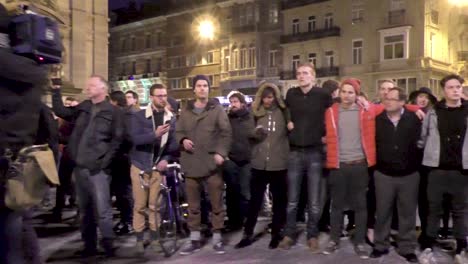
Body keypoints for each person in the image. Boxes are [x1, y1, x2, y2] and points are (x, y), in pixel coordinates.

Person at [51, 75, 124, 258]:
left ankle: (108, 245)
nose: (87, 87)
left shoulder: (113, 112)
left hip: (98, 170)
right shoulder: (84, 107)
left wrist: (104, 162)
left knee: (103, 210)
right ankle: (89, 246)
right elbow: (61, 111)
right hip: (80, 167)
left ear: (103, 89)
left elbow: (118, 140)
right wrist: (55, 90)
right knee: (85, 210)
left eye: (92, 85)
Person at [0, 3, 51, 262]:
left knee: (9, 241)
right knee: (20, 227)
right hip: (20, 163)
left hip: (3, 163)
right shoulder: (33, 69)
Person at [279, 63, 332, 252]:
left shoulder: (322, 95)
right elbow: (282, 110)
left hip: (315, 152)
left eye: (306, 73)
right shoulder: (291, 94)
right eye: (299, 73)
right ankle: (289, 234)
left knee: (315, 200)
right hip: (294, 152)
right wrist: (288, 122)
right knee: (292, 199)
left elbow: (334, 114)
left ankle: (312, 235)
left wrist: (327, 135)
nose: (302, 76)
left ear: (313, 77)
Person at [176, 75, 232, 255]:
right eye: (199, 86)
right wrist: (183, 140)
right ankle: (194, 238)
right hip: (191, 163)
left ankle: (217, 238)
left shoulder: (217, 110)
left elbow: (226, 133)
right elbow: (178, 131)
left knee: (216, 203)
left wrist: (221, 153)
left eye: (205, 86)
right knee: (193, 205)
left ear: (209, 89)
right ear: (194, 89)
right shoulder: (186, 111)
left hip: (211, 164)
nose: (202, 89)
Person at [321, 78, 375, 259]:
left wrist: (417, 110)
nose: (346, 95)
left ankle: (359, 242)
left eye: (350, 92)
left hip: (359, 165)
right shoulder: (330, 112)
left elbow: (391, 107)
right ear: (339, 93)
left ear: (357, 94)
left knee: (360, 206)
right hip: (338, 165)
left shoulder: (365, 111)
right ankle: (334, 239)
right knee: (336, 206)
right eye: (344, 91)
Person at [419, 74, 468, 263]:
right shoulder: (434, 112)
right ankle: (428, 246)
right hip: (436, 170)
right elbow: (422, 138)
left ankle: (461, 248)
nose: (455, 90)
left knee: (460, 211)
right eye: (451, 87)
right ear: (443, 91)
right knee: (434, 210)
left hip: (461, 170)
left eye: (458, 87)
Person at [370, 87, 422, 263]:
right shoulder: (377, 120)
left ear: (401, 102)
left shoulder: (414, 119)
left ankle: (406, 247)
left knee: (407, 214)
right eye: (386, 98)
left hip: (409, 175)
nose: (387, 101)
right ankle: (380, 245)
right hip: (384, 174)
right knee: (383, 212)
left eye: (392, 99)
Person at [235, 82, 289, 249]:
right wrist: (254, 133)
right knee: (255, 201)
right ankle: (248, 233)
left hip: (278, 164)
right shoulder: (255, 112)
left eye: (270, 97)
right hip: (259, 164)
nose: (267, 101)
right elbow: (247, 132)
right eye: (265, 97)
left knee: (279, 201)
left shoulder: (283, 112)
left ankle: (276, 233)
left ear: (275, 97)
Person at [129, 84, 178, 254]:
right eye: (159, 96)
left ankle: (155, 238)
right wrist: (154, 135)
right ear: (151, 97)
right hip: (140, 166)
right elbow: (135, 139)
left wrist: (165, 159)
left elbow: (172, 144)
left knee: (155, 205)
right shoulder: (139, 116)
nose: (162, 98)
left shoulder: (170, 118)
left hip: (158, 167)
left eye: (164, 95)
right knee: (140, 205)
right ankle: (139, 239)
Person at [222, 91, 255, 231]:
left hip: (247, 160)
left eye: (235, 101)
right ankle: (234, 221)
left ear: (242, 103)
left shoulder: (250, 117)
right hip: (231, 160)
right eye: (231, 102)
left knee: (245, 192)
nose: (233, 104)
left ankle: (247, 220)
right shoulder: (227, 118)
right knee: (231, 191)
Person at [109, 91, 135, 236]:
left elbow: (128, 138)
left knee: (124, 192)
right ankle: (126, 220)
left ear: (114, 102)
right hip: (123, 158)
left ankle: (128, 222)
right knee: (122, 192)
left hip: (124, 159)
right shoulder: (125, 114)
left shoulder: (125, 116)